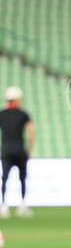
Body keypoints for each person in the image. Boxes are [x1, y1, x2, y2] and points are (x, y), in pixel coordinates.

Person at [0, 86, 35, 218]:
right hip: (20, 150)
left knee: (4, 179)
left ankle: (4, 206)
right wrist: (30, 149)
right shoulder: (22, 114)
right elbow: (31, 131)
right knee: (22, 178)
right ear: (17, 99)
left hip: (6, 151)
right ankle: (23, 206)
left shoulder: (1, 114)